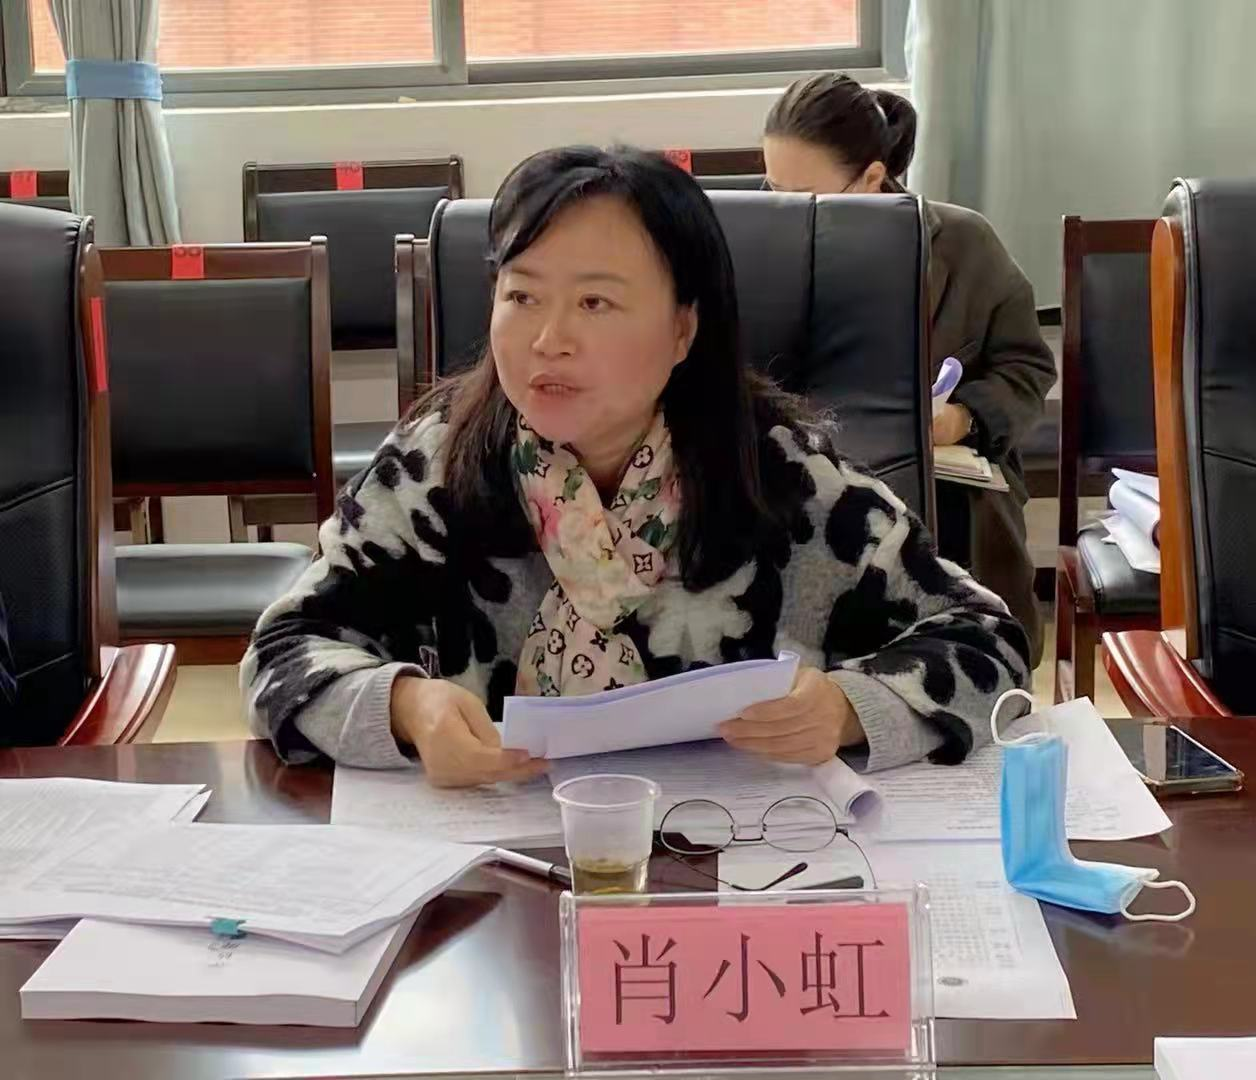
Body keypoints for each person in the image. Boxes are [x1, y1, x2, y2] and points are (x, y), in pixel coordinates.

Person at [242, 145, 1030, 789]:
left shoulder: (782, 480)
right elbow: (283, 653)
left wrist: (848, 708)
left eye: (595, 303)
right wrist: (407, 709)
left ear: (683, 330)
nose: (548, 340)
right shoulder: (433, 466)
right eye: (522, 297)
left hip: (735, 872)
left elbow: (986, 640)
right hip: (497, 875)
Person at [762, 73, 1056, 668]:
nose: (781, 211)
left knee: (958, 645)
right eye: (772, 190)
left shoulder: (962, 244)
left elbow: (1025, 364)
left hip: (945, 490)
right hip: (796, 479)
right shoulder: (754, 240)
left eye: (804, 196)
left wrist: (962, 418)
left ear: (872, 178)